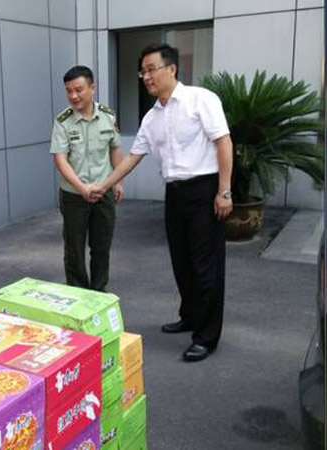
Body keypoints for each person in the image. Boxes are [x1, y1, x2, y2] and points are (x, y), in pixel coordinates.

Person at [91, 44, 233, 361]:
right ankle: (190, 316)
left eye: (151, 69)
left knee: (206, 266)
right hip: (175, 195)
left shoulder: (201, 99)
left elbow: (223, 142)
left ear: (172, 68)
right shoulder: (152, 117)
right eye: (142, 71)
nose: (146, 77)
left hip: (204, 190)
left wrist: (224, 191)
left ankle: (206, 336)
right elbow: (132, 158)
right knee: (182, 262)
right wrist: (103, 186)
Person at [50, 65, 124, 292]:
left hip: (104, 192)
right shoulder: (62, 121)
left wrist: (118, 181)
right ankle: (78, 293)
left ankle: (99, 292)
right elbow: (60, 160)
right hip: (74, 195)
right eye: (69, 91)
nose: (73, 96)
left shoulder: (108, 116)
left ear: (92, 88)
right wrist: (82, 188)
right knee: (74, 249)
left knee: (101, 247)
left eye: (78, 90)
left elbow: (115, 150)